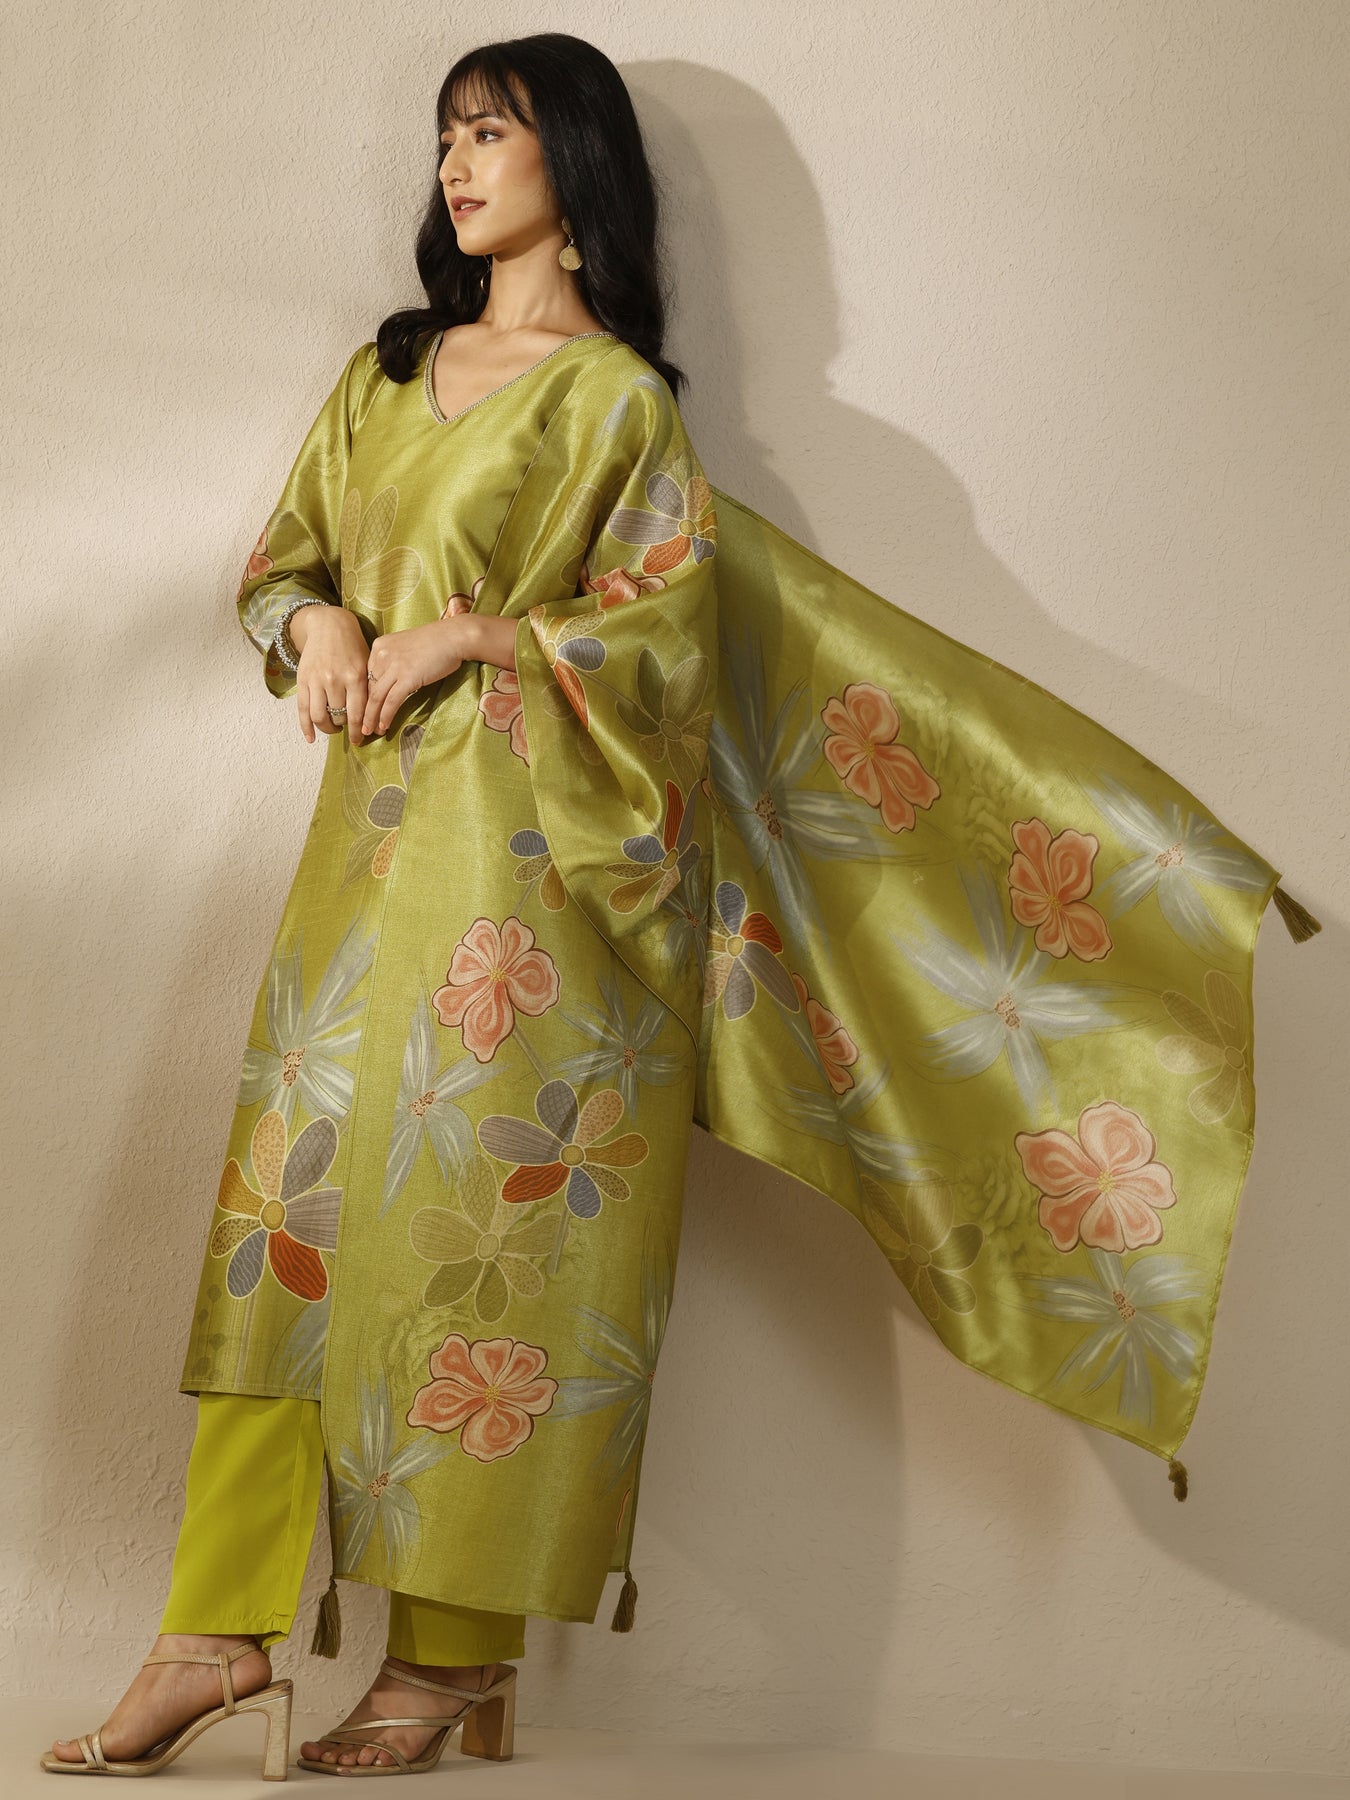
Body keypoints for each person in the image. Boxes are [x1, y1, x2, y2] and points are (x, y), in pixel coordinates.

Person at [43, 24, 1318, 1786]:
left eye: (492, 132)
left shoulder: (617, 406)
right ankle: (215, 1633)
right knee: (289, 1234)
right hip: (360, 878)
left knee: (487, 1264)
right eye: (445, 135)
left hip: (544, 902)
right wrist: (320, 621)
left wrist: (473, 632)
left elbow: (662, 652)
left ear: (573, 164)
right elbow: (283, 563)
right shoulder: (384, 375)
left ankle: (451, 1661)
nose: (456, 163)